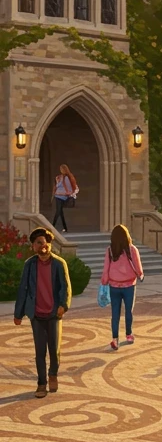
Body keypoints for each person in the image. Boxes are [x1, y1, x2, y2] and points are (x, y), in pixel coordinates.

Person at [13, 227, 72, 399]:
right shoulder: (29, 265)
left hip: (54, 313)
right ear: (33, 246)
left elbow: (66, 287)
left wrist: (63, 305)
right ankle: (41, 384)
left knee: (54, 350)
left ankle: (53, 373)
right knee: (40, 351)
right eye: (38, 242)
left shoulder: (59, 263)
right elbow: (23, 289)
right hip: (36, 315)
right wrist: (18, 313)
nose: (43, 245)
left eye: (45, 242)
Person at [100, 224, 144, 350]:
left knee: (115, 313)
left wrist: (104, 281)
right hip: (129, 285)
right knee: (129, 311)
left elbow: (106, 268)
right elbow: (138, 265)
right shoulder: (132, 249)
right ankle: (129, 334)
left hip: (114, 285)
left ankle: (115, 339)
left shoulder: (110, 250)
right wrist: (140, 275)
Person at [51, 164, 77, 233]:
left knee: (58, 211)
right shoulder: (62, 177)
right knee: (60, 212)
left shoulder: (66, 177)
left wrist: (58, 181)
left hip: (61, 196)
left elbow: (66, 187)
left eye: (61, 169)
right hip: (59, 196)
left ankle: (52, 227)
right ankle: (65, 228)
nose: (61, 170)